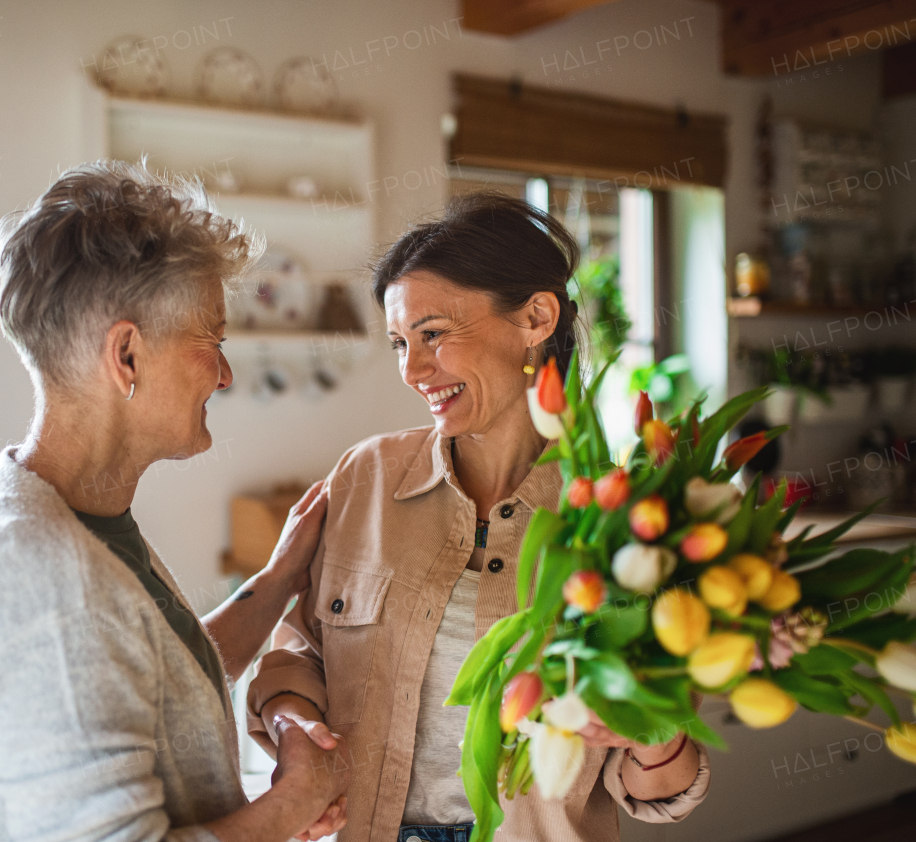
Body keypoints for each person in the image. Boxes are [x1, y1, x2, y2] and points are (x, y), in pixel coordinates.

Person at [247, 193, 710, 842]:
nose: (413, 370)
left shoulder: (627, 521)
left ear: (536, 317)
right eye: (399, 343)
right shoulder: (366, 477)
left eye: (433, 334)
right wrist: (298, 741)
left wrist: (653, 738)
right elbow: (297, 655)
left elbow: (662, 791)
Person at [0, 161, 349, 842]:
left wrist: (280, 579)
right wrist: (296, 798)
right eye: (214, 340)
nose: (226, 373)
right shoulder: (48, 583)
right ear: (126, 356)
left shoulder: (56, 515)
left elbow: (150, 678)